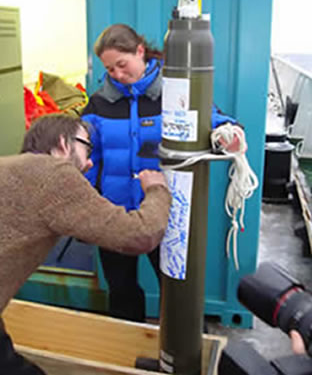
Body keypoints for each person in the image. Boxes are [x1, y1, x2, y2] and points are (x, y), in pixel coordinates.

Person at [82, 23, 242, 323]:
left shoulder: (175, 90)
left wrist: (228, 132)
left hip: (165, 214)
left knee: (174, 287)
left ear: (140, 52)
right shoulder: (99, 103)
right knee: (121, 288)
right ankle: (127, 350)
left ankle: (174, 352)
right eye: (109, 69)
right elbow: (87, 153)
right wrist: (87, 203)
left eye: (122, 64)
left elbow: (213, 119)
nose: (116, 74)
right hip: (114, 214)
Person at [0, 114, 171, 375]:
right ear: (64, 144)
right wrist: (157, 191)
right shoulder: (54, 174)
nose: (89, 163)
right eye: (87, 147)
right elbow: (139, 234)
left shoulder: (3, 166)